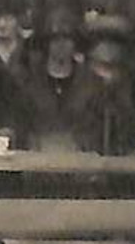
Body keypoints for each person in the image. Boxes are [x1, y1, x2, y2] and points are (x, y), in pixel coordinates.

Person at [72, 30, 135, 156]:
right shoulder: (75, 106)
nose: (109, 76)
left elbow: (133, 144)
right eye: (103, 66)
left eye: (115, 67)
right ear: (89, 66)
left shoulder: (130, 114)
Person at [24, 23, 91, 152]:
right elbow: (22, 125)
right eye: (55, 40)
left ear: (75, 43)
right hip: (36, 159)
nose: (61, 45)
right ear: (46, 43)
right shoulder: (29, 82)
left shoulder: (90, 82)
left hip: (81, 161)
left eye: (67, 39)